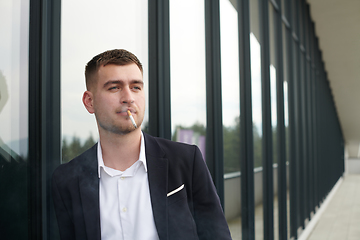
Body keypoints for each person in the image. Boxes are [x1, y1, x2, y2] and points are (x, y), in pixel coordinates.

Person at [52, 49, 232, 240]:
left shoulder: (186, 161)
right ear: (90, 102)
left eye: (136, 87)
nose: (128, 98)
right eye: (114, 87)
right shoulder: (67, 180)